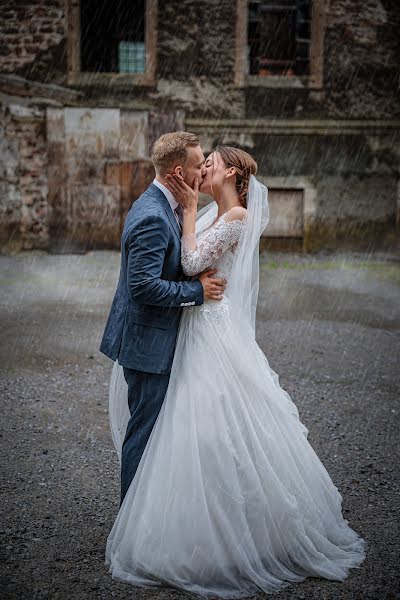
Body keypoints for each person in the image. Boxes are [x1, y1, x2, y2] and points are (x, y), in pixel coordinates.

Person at [105, 146, 367, 597]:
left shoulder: (237, 217)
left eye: (210, 163)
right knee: (180, 427)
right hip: (196, 320)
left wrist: (187, 211)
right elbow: (186, 266)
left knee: (214, 426)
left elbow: (189, 263)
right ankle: (172, 519)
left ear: (230, 172)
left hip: (210, 327)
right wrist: (192, 216)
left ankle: (232, 529)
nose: (204, 168)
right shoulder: (211, 211)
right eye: (200, 162)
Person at [99, 131, 227, 504]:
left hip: (152, 341)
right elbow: (144, 288)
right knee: (144, 432)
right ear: (177, 171)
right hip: (146, 346)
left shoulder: (165, 203)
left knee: (155, 431)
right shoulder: (154, 216)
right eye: (198, 164)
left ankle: (149, 515)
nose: (203, 170)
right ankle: (130, 525)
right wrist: (198, 293)